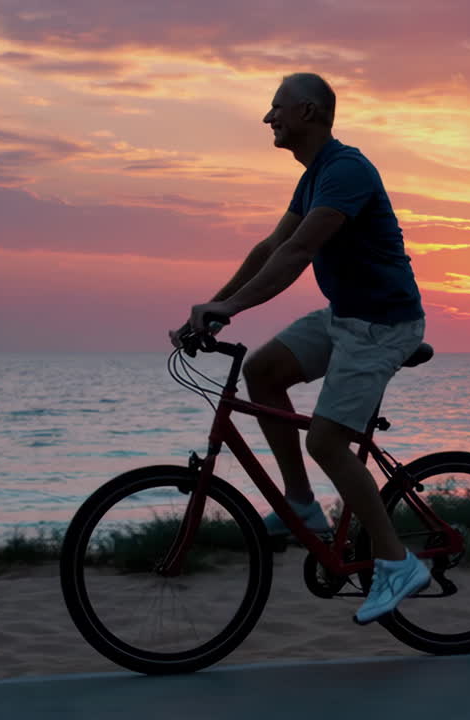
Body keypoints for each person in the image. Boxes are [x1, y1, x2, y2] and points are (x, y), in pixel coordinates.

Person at [170, 72, 430, 625]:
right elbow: (271, 247)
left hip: (383, 326)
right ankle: (303, 507)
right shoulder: (313, 178)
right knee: (263, 372)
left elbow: (299, 252)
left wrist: (233, 309)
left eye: (276, 108)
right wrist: (208, 310)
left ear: (308, 112)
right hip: (345, 317)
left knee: (327, 441)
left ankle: (397, 560)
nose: (269, 118)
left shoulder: (347, 172)